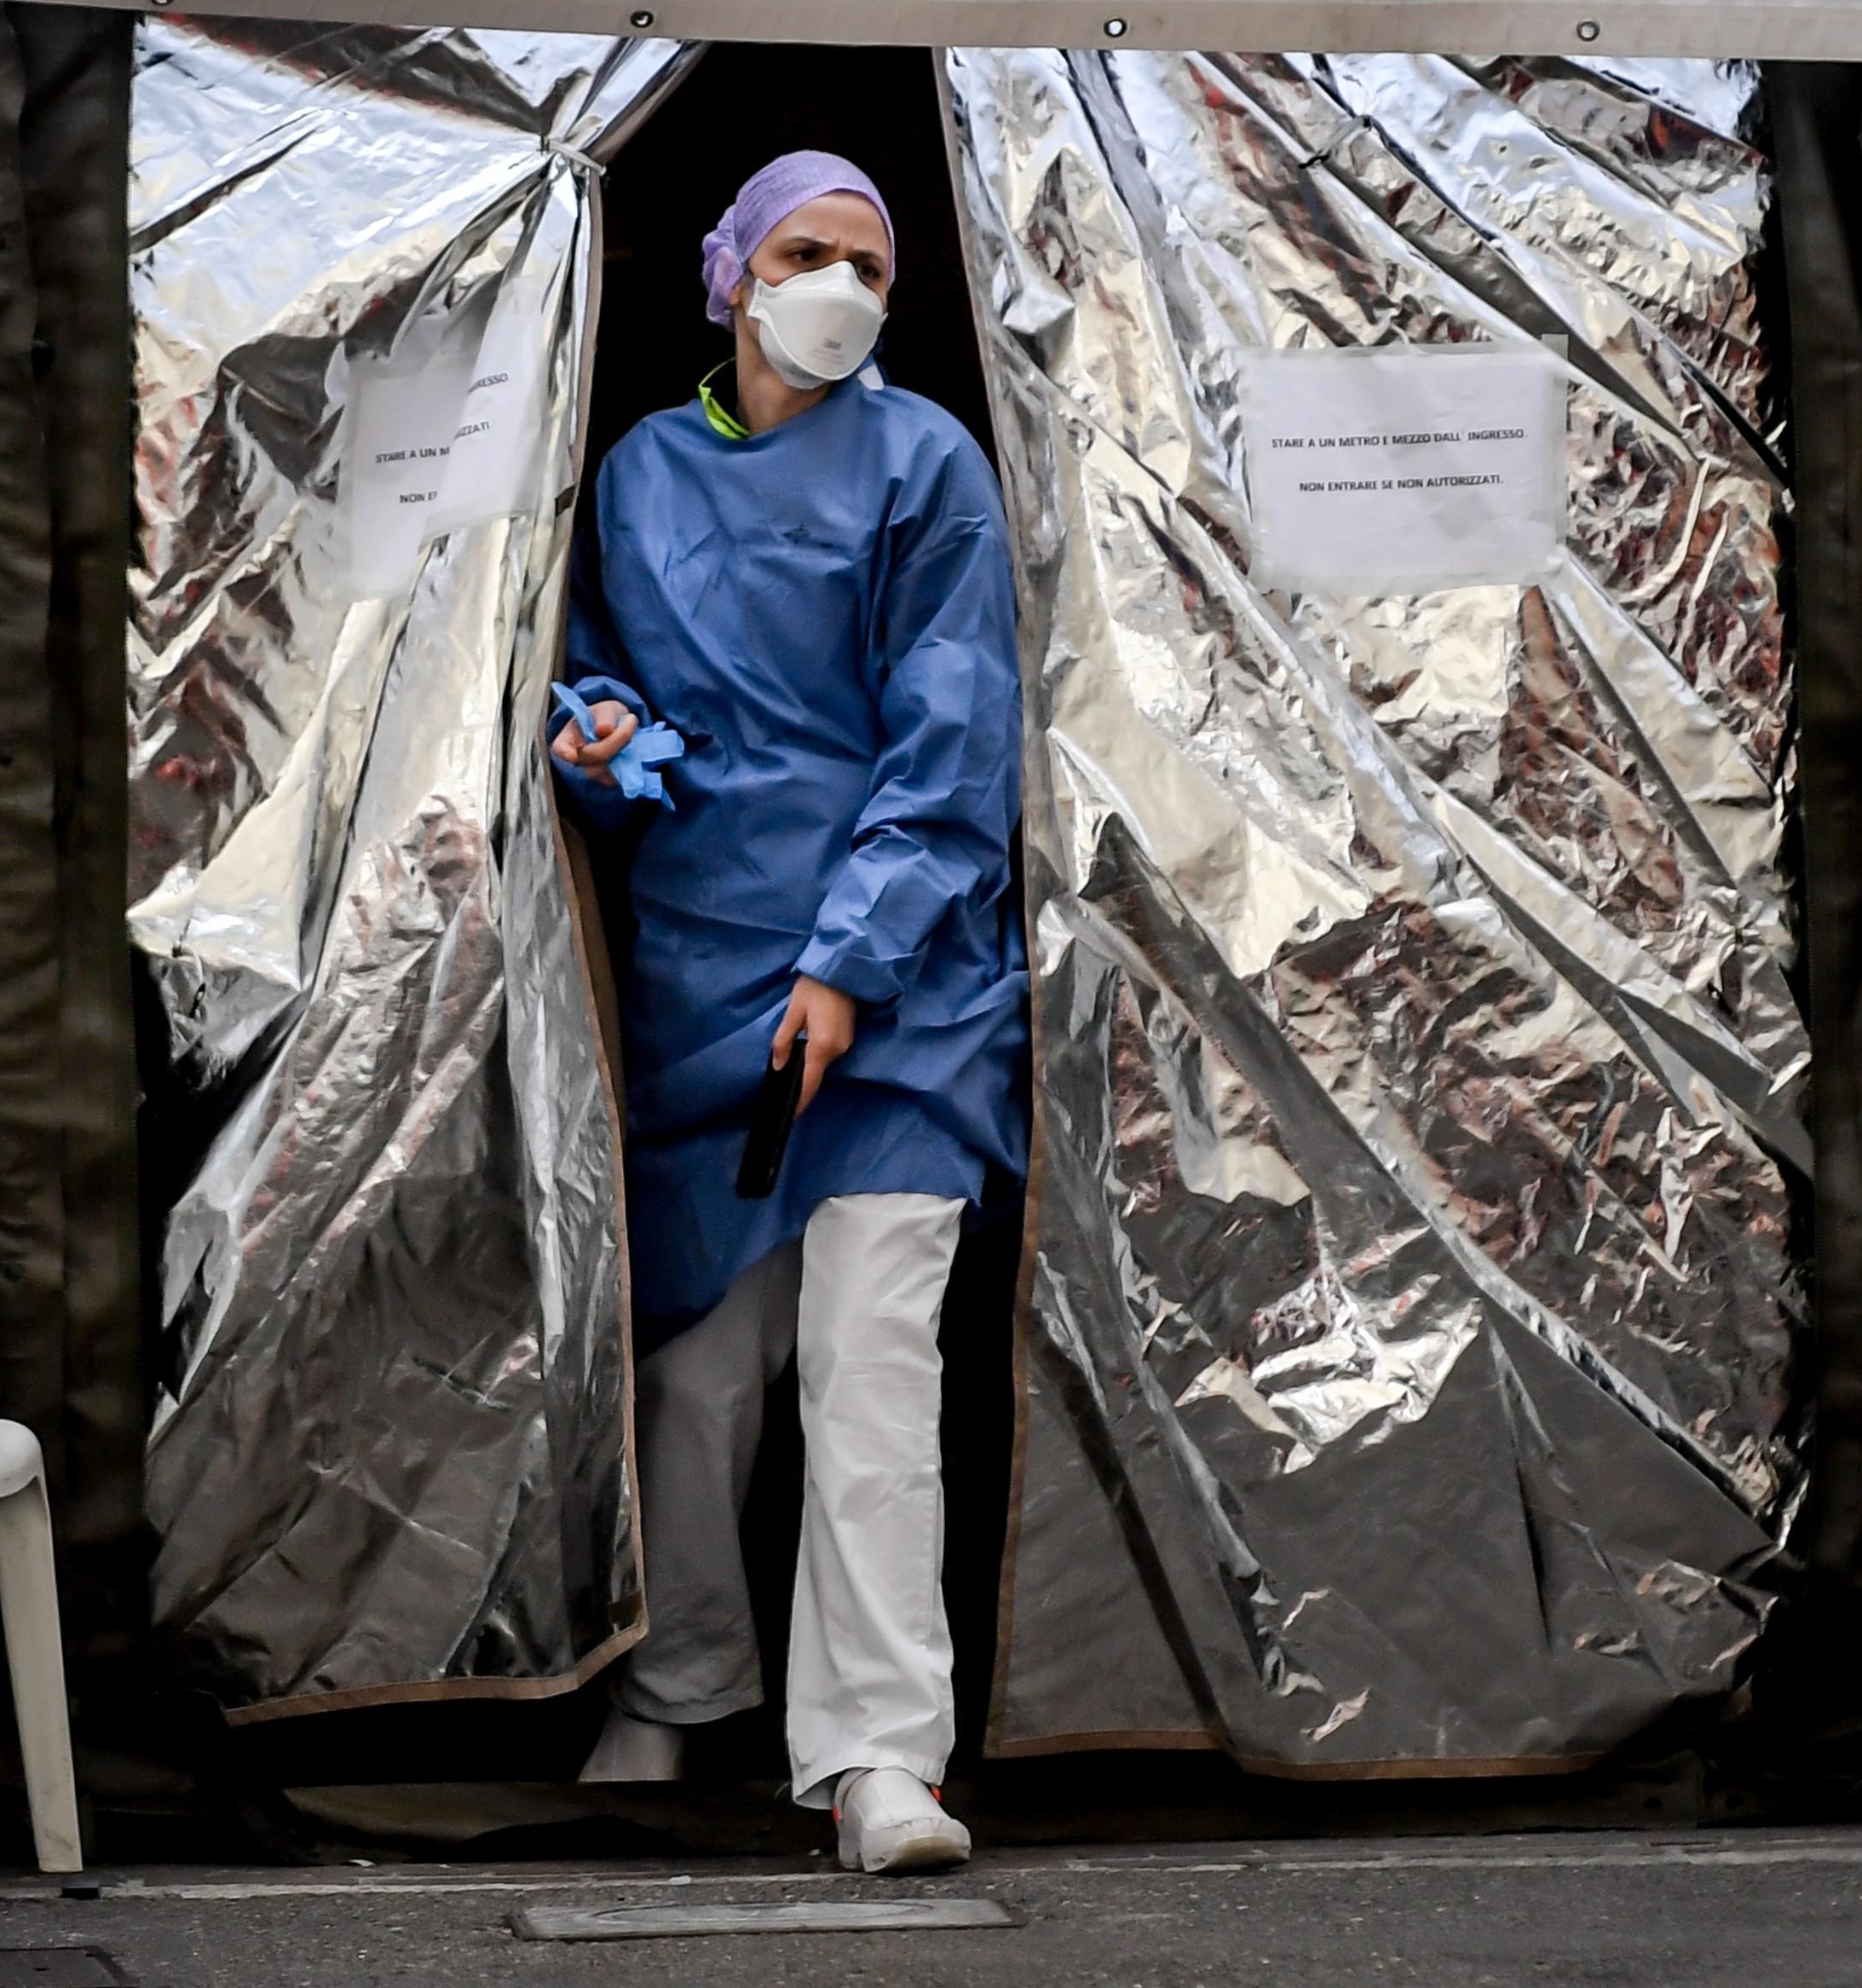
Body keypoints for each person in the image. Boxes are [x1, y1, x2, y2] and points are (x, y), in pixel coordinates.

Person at [550, 150, 1029, 1876]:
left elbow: (952, 735)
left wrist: (852, 956)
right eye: (808, 251)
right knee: (692, 1380)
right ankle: (684, 1682)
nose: (840, 284)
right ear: (732, 271)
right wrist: (603, 740)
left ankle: (879, 1760)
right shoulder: (641, 473)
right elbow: (608, 693)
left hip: (899, 1003)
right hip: (704, 987)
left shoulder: (927, 466)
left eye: (870, 265)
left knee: (872, 1366)